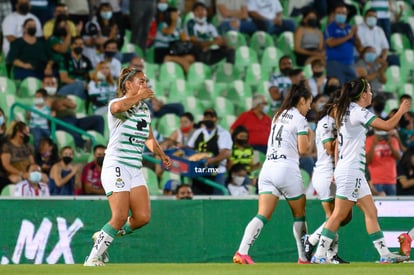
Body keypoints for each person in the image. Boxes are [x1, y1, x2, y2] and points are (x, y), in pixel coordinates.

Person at [311, 78, 411, 264]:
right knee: (339, 214)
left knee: (371, 211)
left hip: (350, 169)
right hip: (351, 170)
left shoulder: (343, 110)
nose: (372, 94)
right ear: (363, 94)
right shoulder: (357, 111)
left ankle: (384, 254)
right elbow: (388, 126)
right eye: (370, 91)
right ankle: (319, 254)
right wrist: (401, 111)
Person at [83, 67, 172, 266]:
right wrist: (139, 96)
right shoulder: (116, 103)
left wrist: (161, 154)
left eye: (146, 81)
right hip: (116, 164)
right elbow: (117, 110)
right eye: (140, 81)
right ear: (128, 85)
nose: (145, 85)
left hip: (134, 168)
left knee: (142, 217)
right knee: (120, 216)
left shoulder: (144, 109)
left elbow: (148, 138)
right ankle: (93, 258)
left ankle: (102, 237)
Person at [233, 82, 314, 264]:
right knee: (299, 215)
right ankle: (303, 258)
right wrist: (311, 137)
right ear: (301, 100)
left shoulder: (278, 115)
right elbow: (303, 150)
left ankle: (242, 252)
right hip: (287, 169)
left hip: (268, 169)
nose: (310, 107)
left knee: (262, 215)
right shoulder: (300, 120)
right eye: (309, 102)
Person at [303, 89, 349, 264]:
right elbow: (330, 149)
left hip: (334, 172)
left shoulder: (334, 122)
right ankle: (330, 253)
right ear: (336, 106)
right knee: (334, 216)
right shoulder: (326, 123)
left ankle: (313, 240)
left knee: (342, 215)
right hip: (326, 172)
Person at [187, 109, 232, 195]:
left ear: (216, 119)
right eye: (206, 117)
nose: (208, 119)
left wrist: (211, 160)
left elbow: (225, 153)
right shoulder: (198, 132)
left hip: (216, 170)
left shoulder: (223, 133)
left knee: (217, 200)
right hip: (199, 170)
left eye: (211, 117)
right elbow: (190, 148)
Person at [324, 3, 360, 84]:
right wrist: (349, 36)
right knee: (339, 90)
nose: (341, 15)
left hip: (350, 63)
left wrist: (355, 34)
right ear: (334, 14)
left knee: (353, 89)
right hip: (335, 63)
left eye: (343, 13)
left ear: (347, 14)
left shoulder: (349, 27)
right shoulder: (330, 27)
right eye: (338, 13)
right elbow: (331, 43)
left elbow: (359, 46)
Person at [154, 6, 195, 73]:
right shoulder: (162, 25)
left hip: (174, 52)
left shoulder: (177, 29)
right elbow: (169, 31)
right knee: (184, 62)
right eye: (176, 15)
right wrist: (174, 21)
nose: (177, 17)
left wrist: (184, 36)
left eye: (178, 15)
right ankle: (191, 80)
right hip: (162, 53)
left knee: (191, 58)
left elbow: (185, 40)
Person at [366, 129, 401, 196]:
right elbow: (368, 161)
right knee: (377, 205)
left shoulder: (392, 140)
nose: (382, 137)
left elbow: (398, 157)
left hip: (391, 179)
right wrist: (373, 144)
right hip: (376, 180)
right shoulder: (369, 140)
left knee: (392, 205)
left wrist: (390, 145)